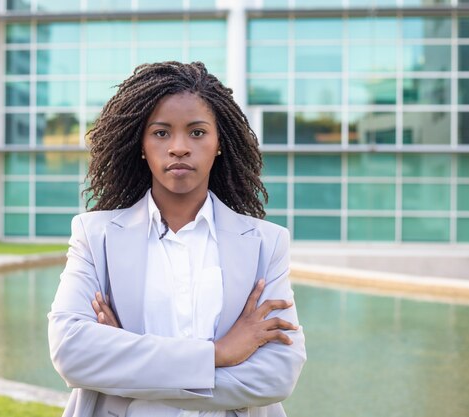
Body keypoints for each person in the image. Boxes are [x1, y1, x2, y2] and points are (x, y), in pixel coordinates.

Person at [48, 61, 306, 417]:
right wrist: (218, 354)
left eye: (197, 132)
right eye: (161, 133)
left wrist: (127, 368)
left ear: (219, 144)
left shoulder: (266, 243)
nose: (179, 147)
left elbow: (277, 376)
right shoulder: (95, 236)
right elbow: (72, 352)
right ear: (141, 145)